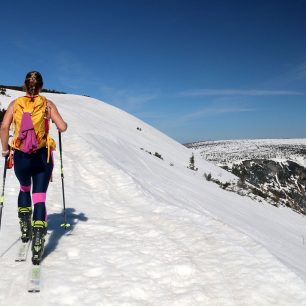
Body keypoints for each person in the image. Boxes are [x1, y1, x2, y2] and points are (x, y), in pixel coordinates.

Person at [0, 71, 67, 264]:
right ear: (41, 86)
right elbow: (62, 127)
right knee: (39, 197)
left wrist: (5, 151)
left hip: (21, 156)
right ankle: (39, 237)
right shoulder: (47, 104)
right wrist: (59, 123)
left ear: (25, 85)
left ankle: (24, 225)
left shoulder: (15, 104)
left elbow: (4, 128)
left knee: (24, 188)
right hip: (42, 156)